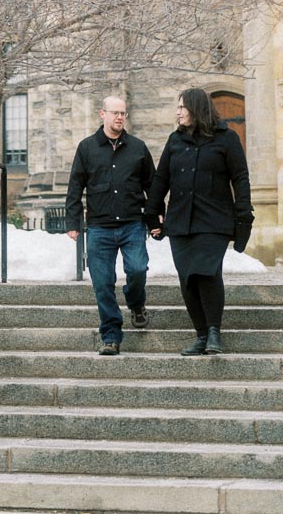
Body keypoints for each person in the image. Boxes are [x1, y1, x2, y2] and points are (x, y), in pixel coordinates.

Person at [146, 87, 253, 356]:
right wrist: (153, 212)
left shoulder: (226, 139)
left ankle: (214, 332)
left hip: (214, 220)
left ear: (196, 109)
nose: (178, 112)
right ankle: (201, 334)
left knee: (206, 273)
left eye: (182, 107)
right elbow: (161, 179)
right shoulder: (175, 141)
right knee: (187, 279)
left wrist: (243, 216)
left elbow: (240, 178)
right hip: (181, 220)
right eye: (177, 108)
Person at [65, 96, 156, 356]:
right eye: (114, 112)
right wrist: (73, 222)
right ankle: (111, 335)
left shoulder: (138, 148)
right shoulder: (86, 148)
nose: (119, 117)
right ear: (101, 114)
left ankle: (136, 304)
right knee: (103, 283)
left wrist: (155, 220)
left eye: (123, 113)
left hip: (132, 224)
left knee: (137, 269)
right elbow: (75, 187)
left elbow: (153, 187)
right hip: (99, 227)